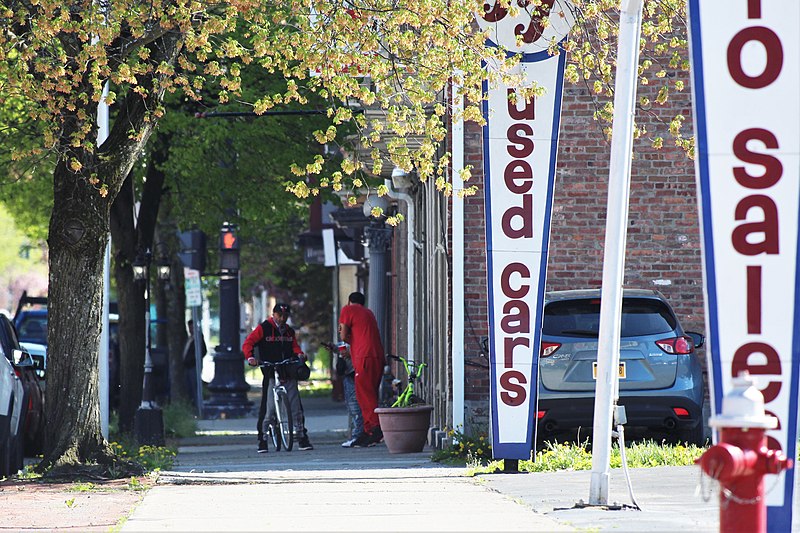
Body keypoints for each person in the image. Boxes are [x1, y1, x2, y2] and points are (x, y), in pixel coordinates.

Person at [242, 303, 313, 452]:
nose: (282, 319)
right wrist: (250, 358)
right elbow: (248, 343)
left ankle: (301, 436)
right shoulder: (264, 328)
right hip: (269, 369)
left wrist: (299, 354)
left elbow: (294, 347)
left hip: (287, 369)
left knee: (295, 405)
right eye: (279, 315)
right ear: (273, 314)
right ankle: (262, 438)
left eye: (285, 316)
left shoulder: (289, 332)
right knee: (267, 408)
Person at [338, 291, 385, 447]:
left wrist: (349, 340)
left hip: (364, 358)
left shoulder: (348, 310)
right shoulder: (368, 313)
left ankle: (374, 429)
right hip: (378, 356)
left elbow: (343, 335)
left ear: (349, 301)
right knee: (371, 393)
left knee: (364, 395)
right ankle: (367, 431)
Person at [335, 343, 364, 448]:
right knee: (353, 407)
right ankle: (356, 435)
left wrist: (349, 353)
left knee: (355, 407)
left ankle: (358, 436)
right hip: (349, 373)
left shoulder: (355, 336)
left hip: (355, 373)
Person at [182, 319, 207, 408]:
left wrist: (193, 360)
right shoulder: (190, 338)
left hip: (193, 366)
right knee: (189, 387)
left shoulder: (198, 338)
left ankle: (198, 406)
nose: (190, 329)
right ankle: (193, 406)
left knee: (194, 386)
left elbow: (203, 351)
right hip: (188, 366)